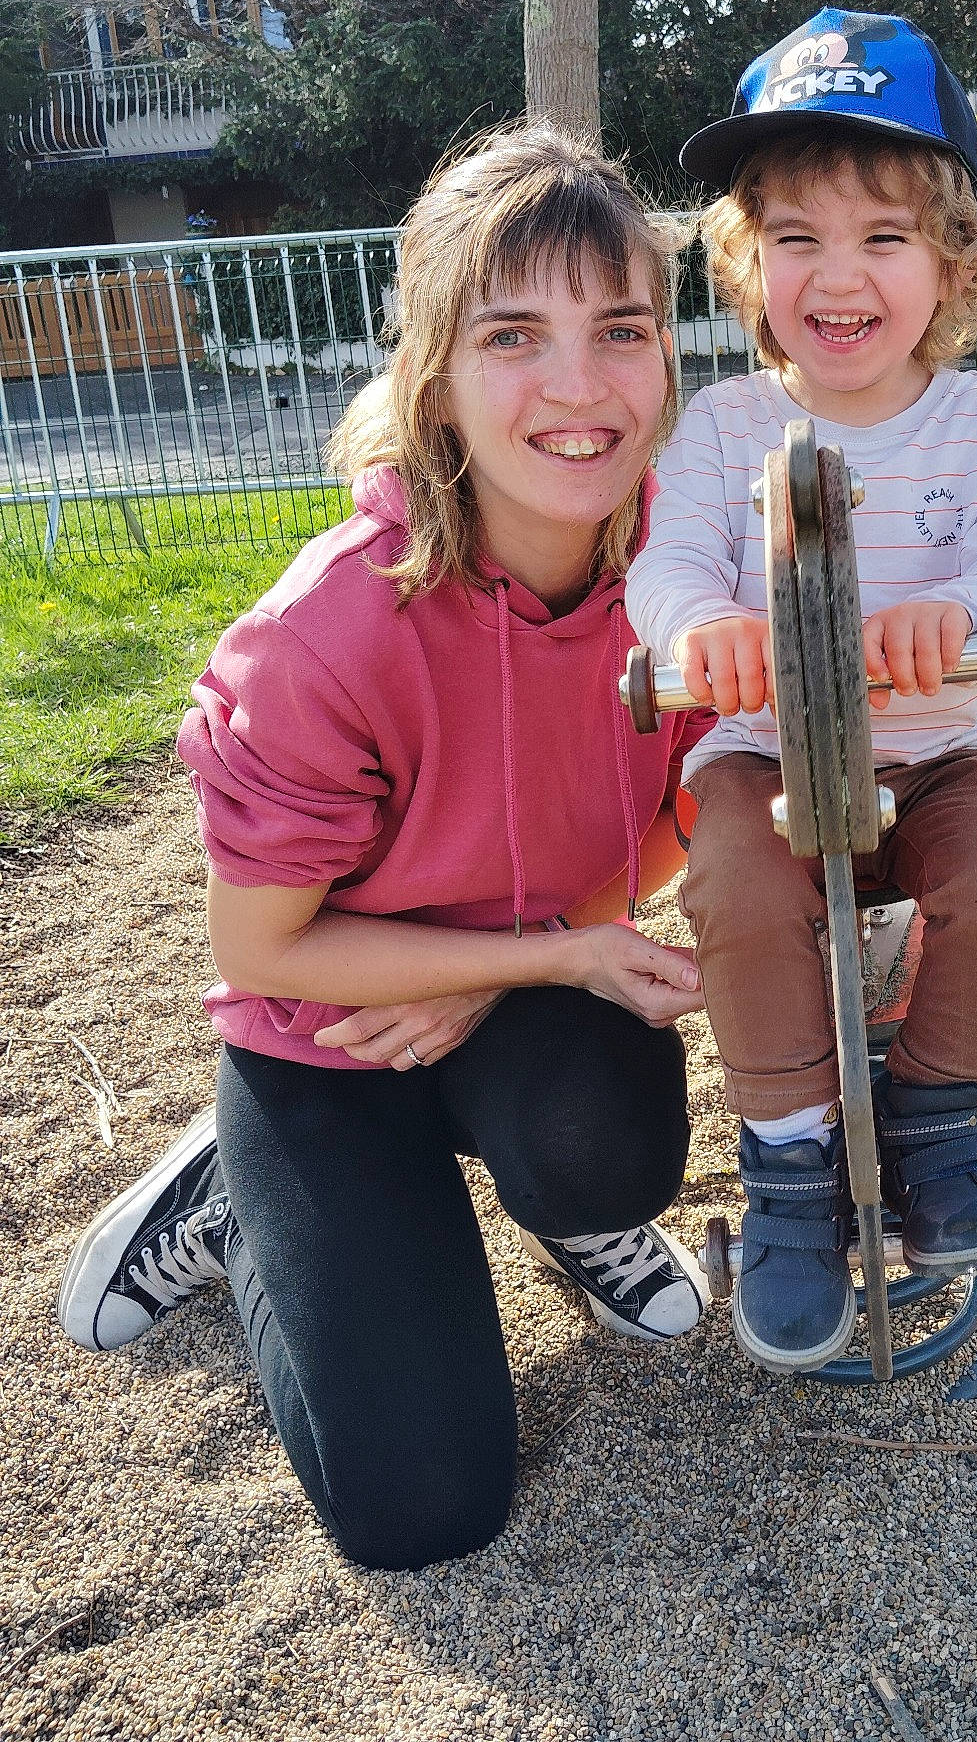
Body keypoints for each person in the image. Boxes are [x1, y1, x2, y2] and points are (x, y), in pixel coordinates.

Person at [57, 128, 714, 1571]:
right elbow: (262, 949)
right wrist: (538, 955)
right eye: (514, 335)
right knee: (423, 1512)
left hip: (514, 984)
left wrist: (508, 972)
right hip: (331, 1029)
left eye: (622, 329)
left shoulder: (688, 569)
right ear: (436, 378)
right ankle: (231, 1192)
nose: (578, 384)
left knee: (604, 1143)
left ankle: (557, 1204)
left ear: (666, 354)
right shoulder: (328, 630)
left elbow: (678, 824)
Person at [627, 9, 977, 1375]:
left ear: (953, 265)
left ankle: (937, 1117)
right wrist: (703, 628)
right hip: (763, 745)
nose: (838, 276)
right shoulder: (723, 427)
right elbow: (669, 568)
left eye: (882, 238)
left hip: (939, 748)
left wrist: (969, 614)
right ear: (746, 265)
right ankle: (787, 1161)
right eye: (796, 240)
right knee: (735, 892)